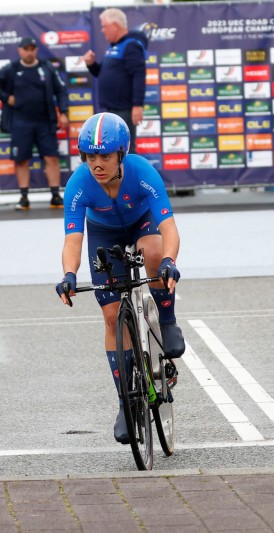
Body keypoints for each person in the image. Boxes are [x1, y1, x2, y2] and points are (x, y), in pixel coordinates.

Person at [56, 112, 185, 443]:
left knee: (154, 253)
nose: (97, 164)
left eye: (105, 156)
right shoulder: (78, 183)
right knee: (112, 315)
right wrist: (69, 274)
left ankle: (167, 321)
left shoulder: (142, 173)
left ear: (121, 154)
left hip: (142, 224)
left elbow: (168, 226)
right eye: (91, 156)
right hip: (104, 234)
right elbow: (73, 238)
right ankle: (125, 401)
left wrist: (170, 260)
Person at [0, 37, 68, 211]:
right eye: (26, 49)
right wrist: (7, 98)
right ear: (20, 50)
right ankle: (23, 197)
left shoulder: (46, 68)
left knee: (51, 158)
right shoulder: (11, 69)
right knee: (21, 160)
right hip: (20, 123)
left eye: (32, 49)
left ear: (36, 50)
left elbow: (61, 90)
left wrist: (64, 113)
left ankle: (55, 195)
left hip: (45, 122)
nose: (29, 52)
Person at [81, 8, 147, 155]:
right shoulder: (113, 47)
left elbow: (139, 75)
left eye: (104, 26)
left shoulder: (131, 45)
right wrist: (91, 64)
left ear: (115, 26)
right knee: (116, 151)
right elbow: (101, 73)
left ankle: (131, 178)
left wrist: (137, 105)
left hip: (124, 109)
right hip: (113, 109)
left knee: (126, 151)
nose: (103, 30)